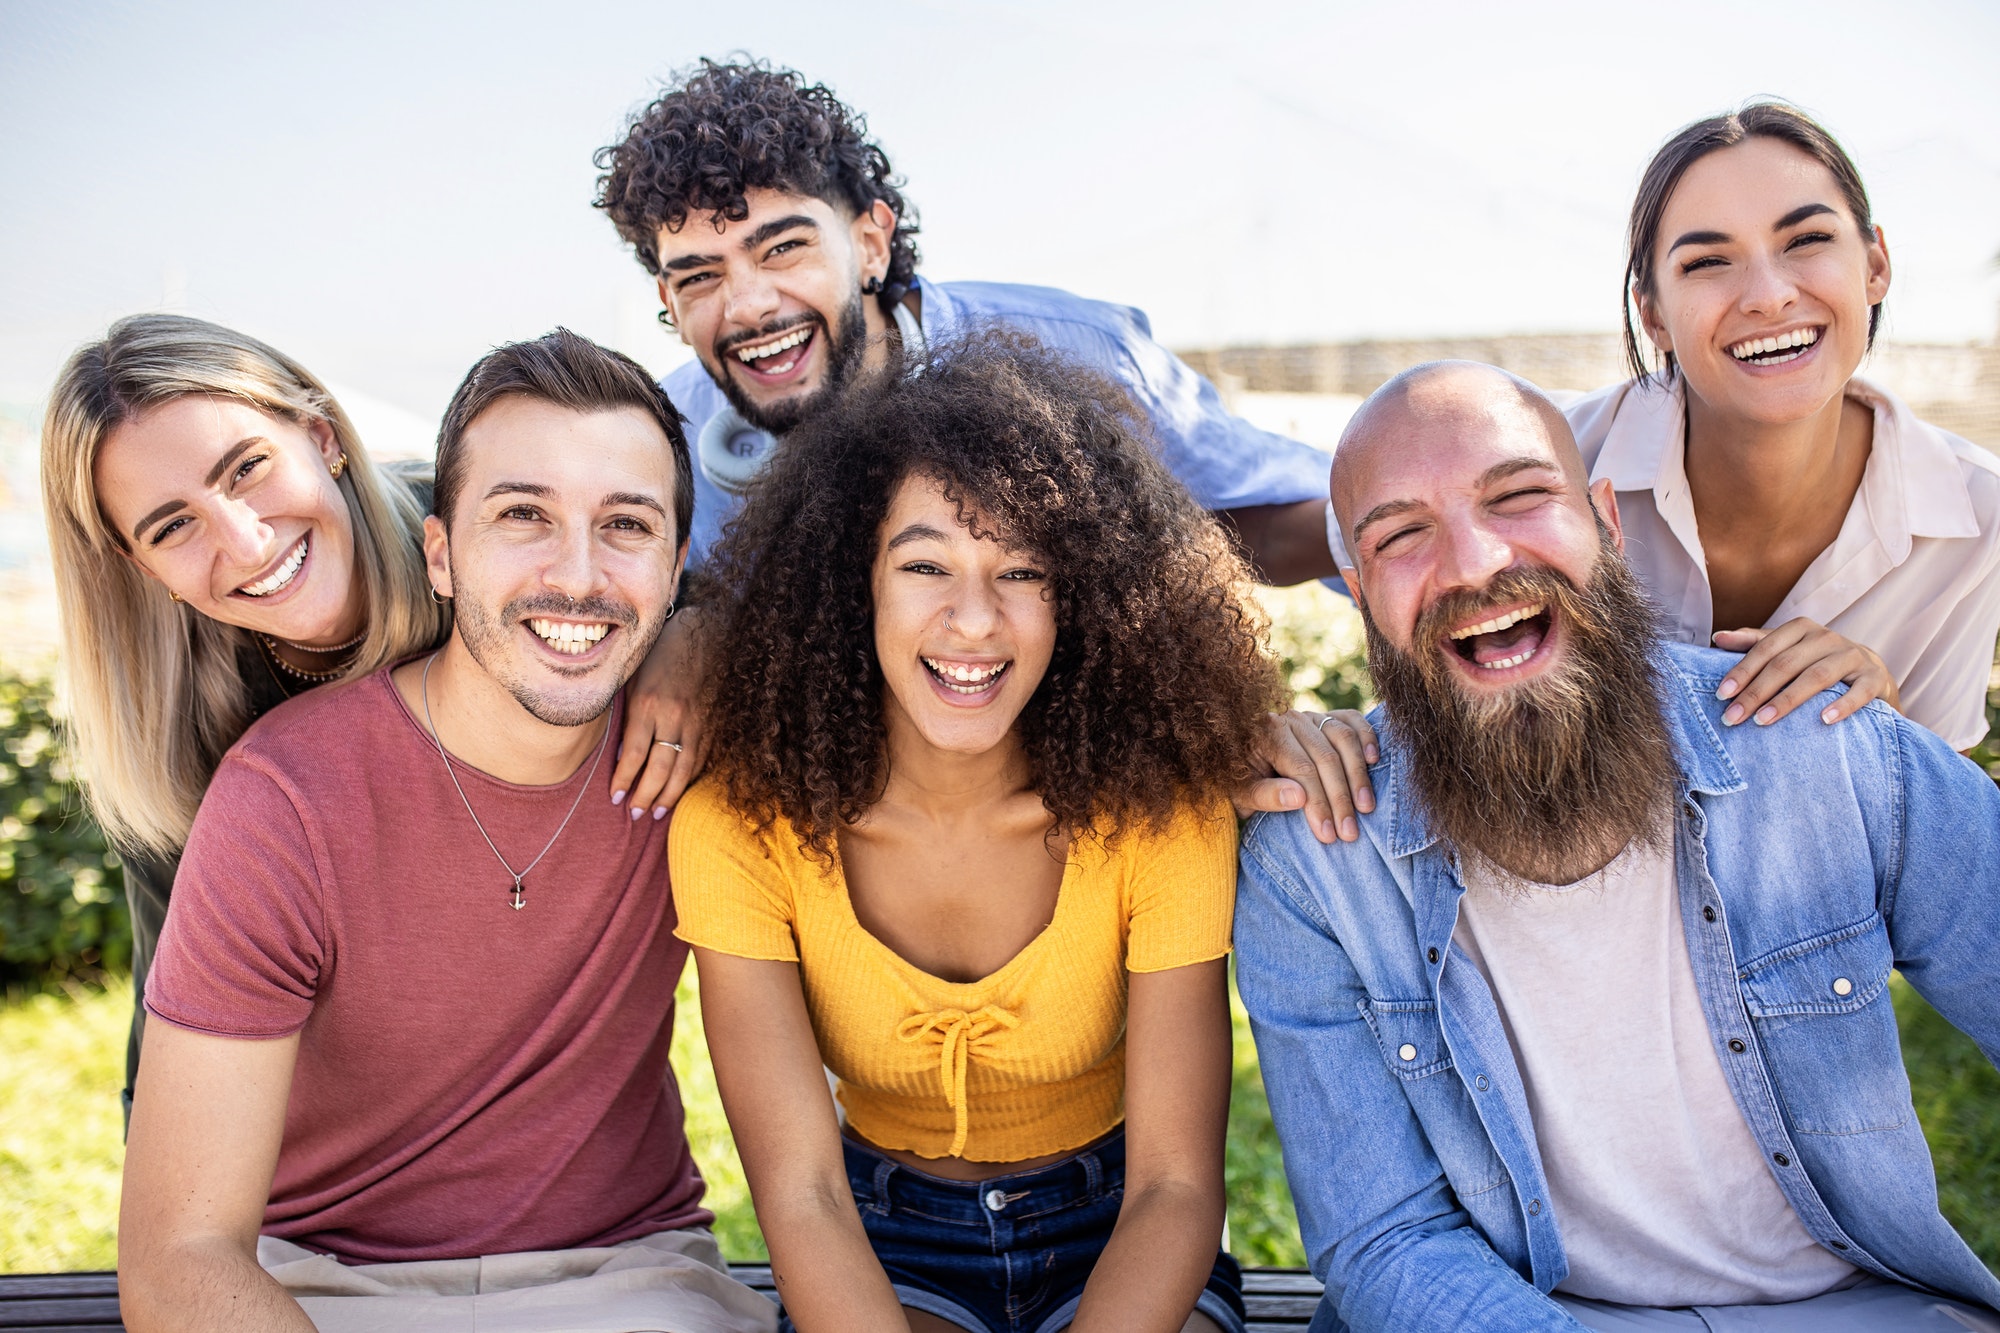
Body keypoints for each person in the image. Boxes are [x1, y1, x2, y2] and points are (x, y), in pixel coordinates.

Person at [1235, 361, 2000, 1331]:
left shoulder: (1828, 751)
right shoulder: (1316, 858)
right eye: (1400, 535)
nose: (1471, 564)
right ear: (1356, 591)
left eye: (1516, 496)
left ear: (1604, 520)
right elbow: (1382, 1243)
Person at [117, 330, 776, 1333]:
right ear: (441, 554)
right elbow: (179, 1253)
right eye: (522, 516)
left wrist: (708, 635)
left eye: (625, 525)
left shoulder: (695, 763)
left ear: (676, 564)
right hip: (322, 1285)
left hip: (623, 1283)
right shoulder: (277, 795)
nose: (578, 574)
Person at [592, 57, 1369, 843]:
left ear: (870, 240)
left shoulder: (1079, 354)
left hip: (1093, 821)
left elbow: (1264, 523)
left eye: (783, 249)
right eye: (699, 277)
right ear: (668, 300)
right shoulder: (662, 439)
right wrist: (692, 629)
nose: (749, 305)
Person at [670, 333, 1276, 1333]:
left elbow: (1174, 1186)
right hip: (877, 1237)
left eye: (1022, 571)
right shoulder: (741, 826)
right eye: (923, 564)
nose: (971, 619)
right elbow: (799, 1194)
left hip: (1116, 1222)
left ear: (1079, 593)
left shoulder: (1158, 812)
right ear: (847, 580)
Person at [41, 315, 696, 1123]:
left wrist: (692, 638)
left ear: (323, 437)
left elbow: (634, 562)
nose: (245, 542)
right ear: (137, 564)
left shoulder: (483, 529)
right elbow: (171, 1025)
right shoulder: (178, 734)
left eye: (248, 469)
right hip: (334, 1173)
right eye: (173, 525)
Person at [1565, 101, 2000, 750]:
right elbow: (1356, 545)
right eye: (1708, 261)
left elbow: (1940, 825)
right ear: (1651, 314)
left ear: (1875, 264)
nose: (1768, 294)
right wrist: (1356, 730)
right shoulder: (1549, 462)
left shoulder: (1975, 512)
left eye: (1807, 240)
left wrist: (1886, 715)